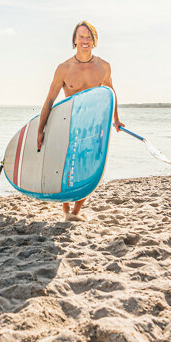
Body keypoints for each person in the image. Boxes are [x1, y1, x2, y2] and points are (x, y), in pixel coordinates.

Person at [37, 20, 122, 220]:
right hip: (69, 122)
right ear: (74, 40)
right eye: (81, 36)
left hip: (94, 124)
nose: (85, 40)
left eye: (89, 37)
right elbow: (50, 100)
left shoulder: (104, 67)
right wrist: (41, 129)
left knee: (89, 168)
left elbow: (111, 93)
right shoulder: (63, 68)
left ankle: (75, 212)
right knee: (65, 166)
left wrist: (116, 119)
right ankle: (65, 207)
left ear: (94, 41)